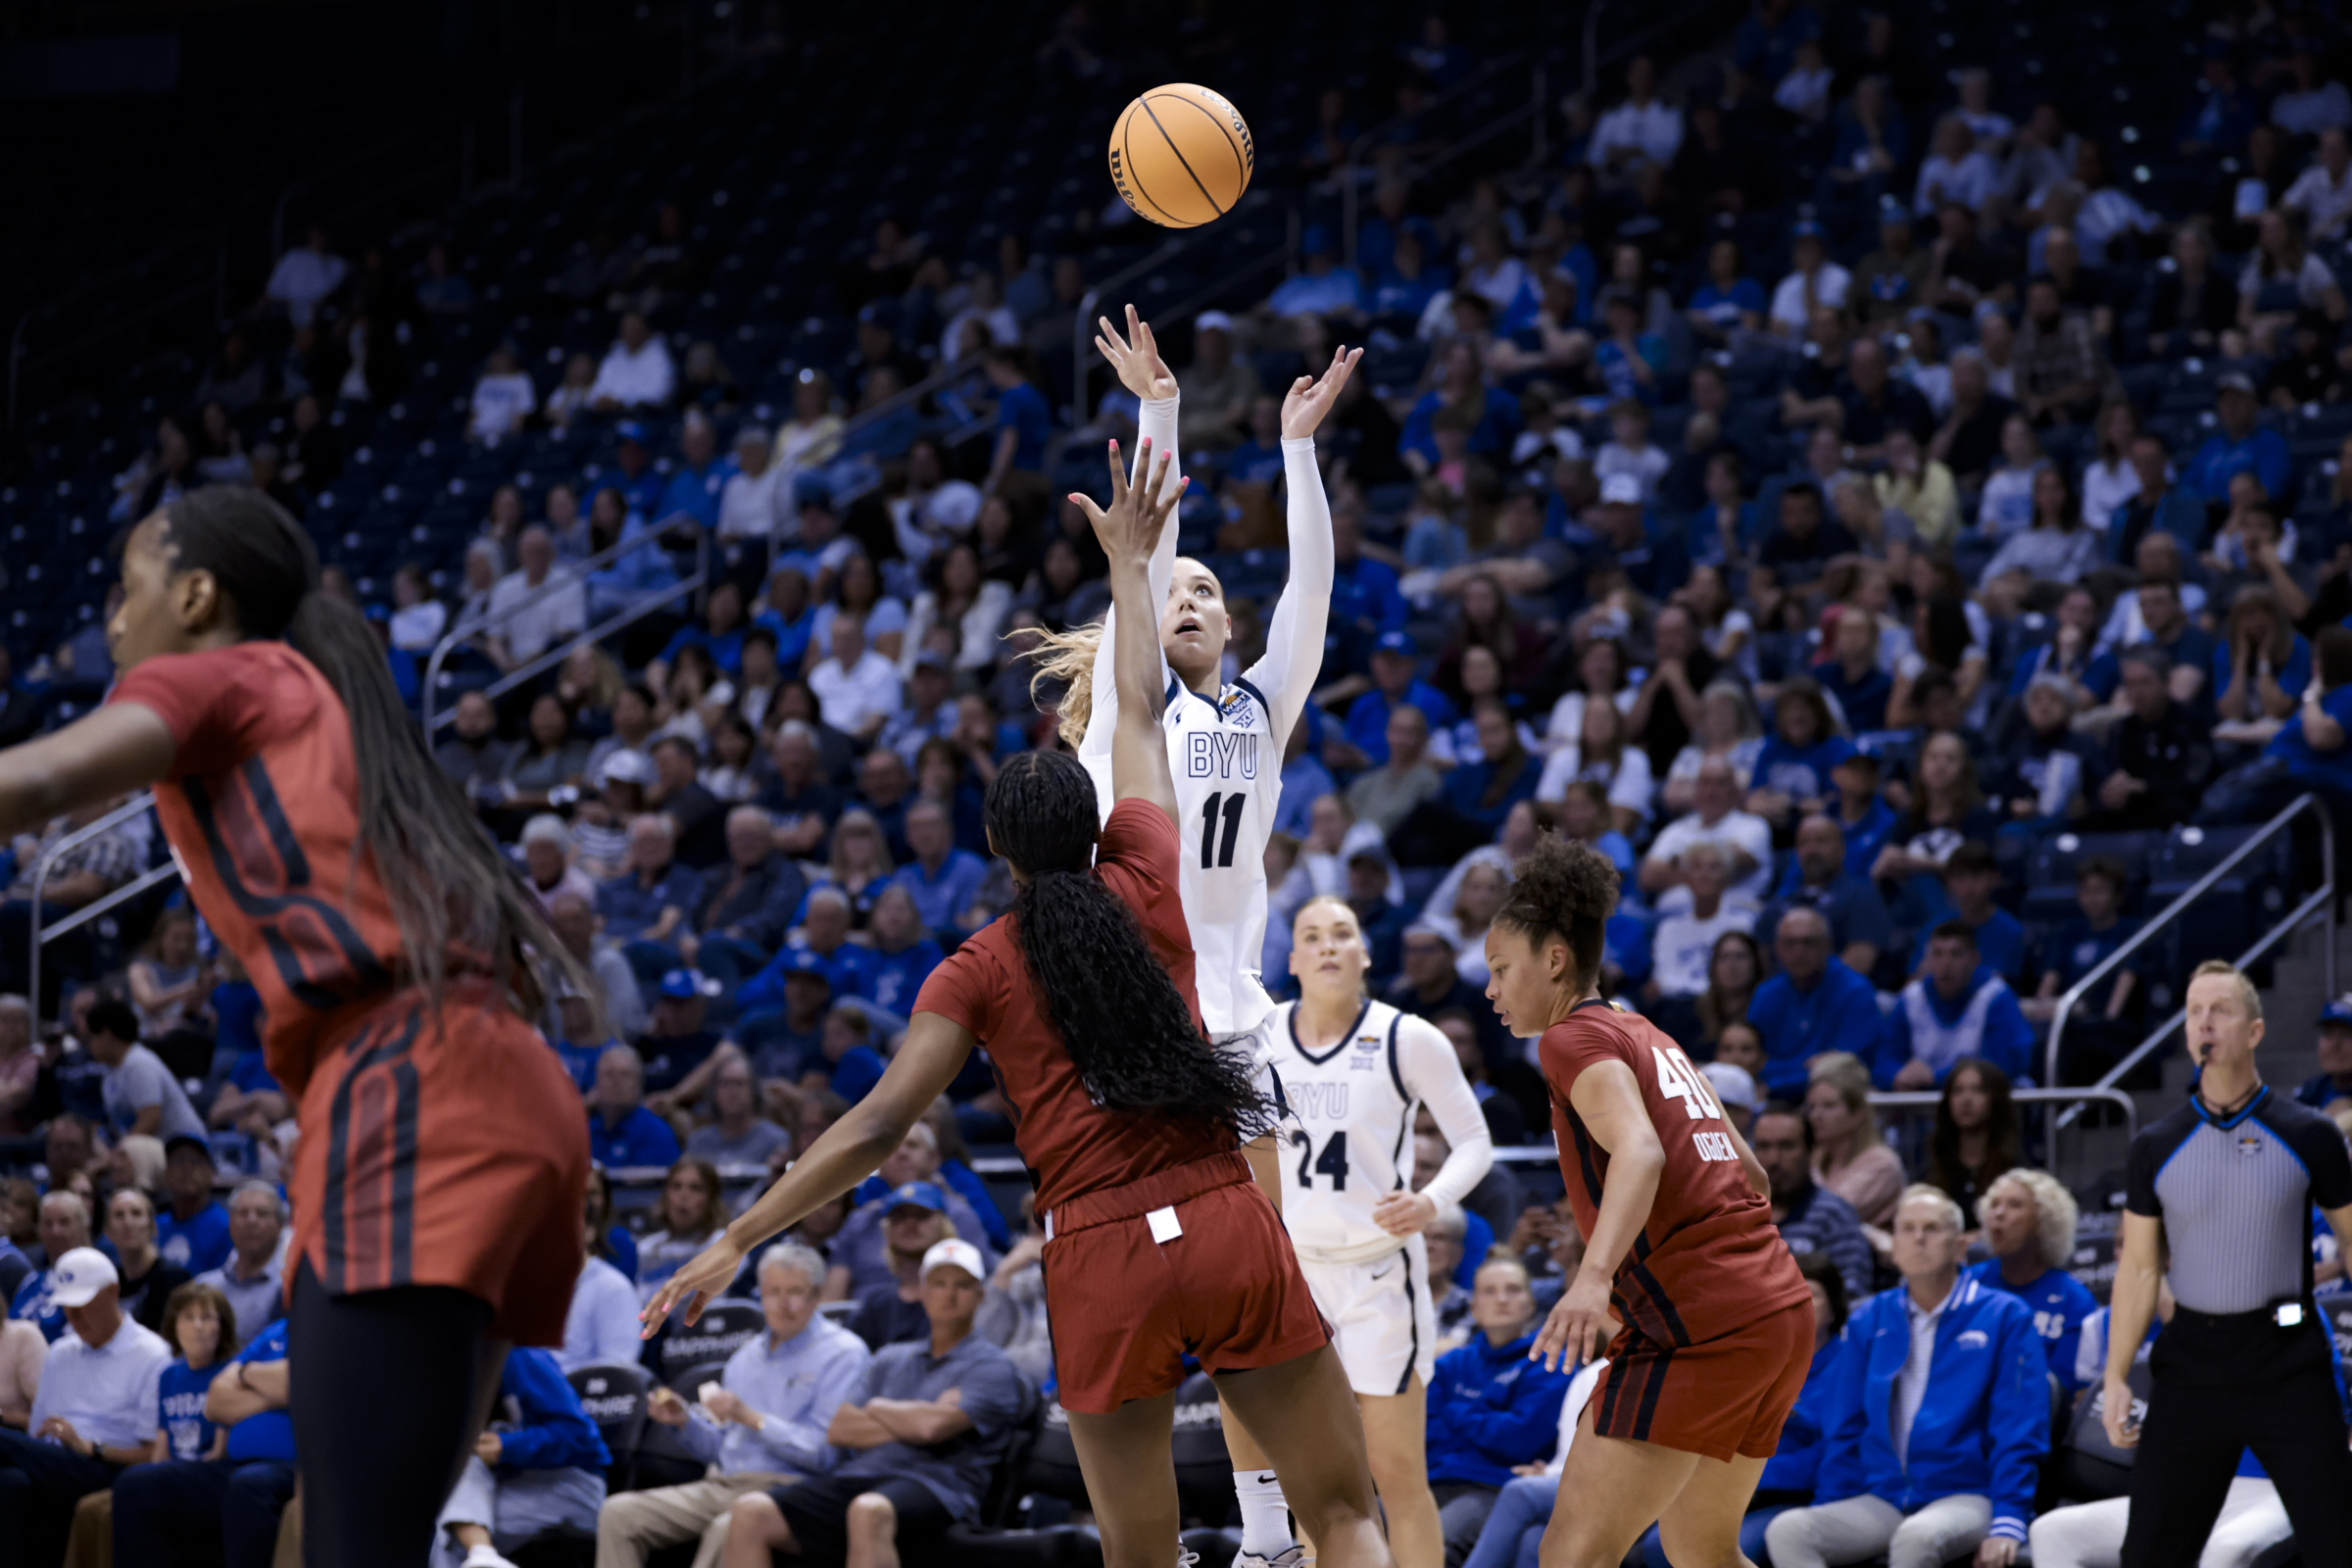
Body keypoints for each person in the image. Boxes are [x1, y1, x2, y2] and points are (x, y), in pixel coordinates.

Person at [643, 435, 1396, 1568]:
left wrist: (736, 1239)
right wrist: (1135, 567)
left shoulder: (976, 965)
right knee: (1341, 1514)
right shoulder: (1150, 876)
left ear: (994, 846)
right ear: (1100, 826)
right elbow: (1140, 708)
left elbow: (874, 1128)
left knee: (1138, 1555)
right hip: (1221, 1207)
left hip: (1098, 1252)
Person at [0, 487, 597, 1563]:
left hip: (410, 1082)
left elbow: (35, 778)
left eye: (128, 587)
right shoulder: (325, 701)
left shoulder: (228, 668)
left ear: (195, 594)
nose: (112, 616)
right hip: (498, 1084)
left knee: (354, 1548)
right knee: (367, 1540)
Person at [1029, 316, 1368, 1558]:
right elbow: (1149, 547)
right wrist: (1161, 413)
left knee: (1259, 1286)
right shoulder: (1131, 707)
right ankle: (1153, 1520)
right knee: (1151, 1282)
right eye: (1171, 590)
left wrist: (1294, 451)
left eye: (1209, 592)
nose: (1189, 597)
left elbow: (1315, 589)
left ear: (1231, 628)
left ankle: (1272, 1529)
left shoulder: (1264, 706)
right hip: (1137, 1027)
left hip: (1237, 1018)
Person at [1480, 832, 1814, 1568]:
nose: (1491, 991)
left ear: (1556, 960)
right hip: (1779, 1308)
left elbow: (1640, 1151)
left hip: (1703, 1325)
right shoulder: (1650, 1032)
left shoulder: (1571, 1038)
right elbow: (1752, 1175)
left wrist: (1594, 1278)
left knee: (1570, 1556)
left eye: (1502, 969)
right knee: (1703, 1549)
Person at [2103, 961, 2352, 1566]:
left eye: (2220, 1010)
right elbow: (2138, 1269)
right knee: (2150, 1554)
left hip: (2288, 1363)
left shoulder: (2311, 1134)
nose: (2204, 1022)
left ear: (2255, 1031)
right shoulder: (2154, 1145)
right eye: (2193, 1012)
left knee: (2338, 1547)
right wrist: (2114, 1376)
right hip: (2192, 1365)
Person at [1274, 894, 1496, 1568]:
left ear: (1365, 953)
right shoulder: (1261, 1036)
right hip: (1296, 1277)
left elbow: (1473, 1142)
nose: (1328, 946)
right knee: (1310, 1482)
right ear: (1292, 960)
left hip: (1377, 1275)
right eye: (1311, 936)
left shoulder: (1407, 1037)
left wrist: (1431, 1202)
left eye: (1342, 933)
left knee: (1396, 1476)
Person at [1765, 1186, 2049, 1568]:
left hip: (1968, 1492)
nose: (1918, 1238)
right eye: (1907, 1229)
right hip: (1884, 1494)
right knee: (1789, 1530)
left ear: (1960, 1245)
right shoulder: (1871, 1319)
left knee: (1915, 1539)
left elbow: (2018, 1426)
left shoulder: (2005, 1316)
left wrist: (2009, 1519)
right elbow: (1845, 1425)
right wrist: (1833, 1503)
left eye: (1932, 1228)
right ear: (1893, 1248)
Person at [713, 1238, 1025, 1568]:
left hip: (940, 1487)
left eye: (962, 1285)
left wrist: (880, 1410)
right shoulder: (890, 1358)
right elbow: (840, 1429)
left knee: (867, 1510)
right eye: (938, 1283)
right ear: (922, 1290)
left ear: (981, 1295)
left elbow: (934, 1428)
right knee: (750, 1511)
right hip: (860, 1475)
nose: (948, 1294)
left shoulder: (994, 1367)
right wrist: (913, 1414)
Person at [595, 1242, 871, 1567]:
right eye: (773, 1292)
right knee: (617, 1513)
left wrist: (753, 1418)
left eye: (794, 1292)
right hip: (723, 1483)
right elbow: (722, 1448)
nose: (783, 1304)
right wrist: (684, 1423)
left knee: (729, 1528)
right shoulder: (744, 1358)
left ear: (816, 1295)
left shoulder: (844, 1353)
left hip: (792, 1491)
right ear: (760, 1295)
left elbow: (825, 1456)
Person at [0, 1248, 171, 1568]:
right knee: (10, 1484)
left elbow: (154, 1453)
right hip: (52, 1460)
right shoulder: (61, 1352)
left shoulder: (152, 1355)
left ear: (113, 1292)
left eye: (82, 1305)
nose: (73, 1317)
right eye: (66, 1307)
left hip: (105, 1463)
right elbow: (37, 1435)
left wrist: (91, 1447)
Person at [110, 1311, 298, 1568]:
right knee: (137, 1486)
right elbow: (215, 1403)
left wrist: (246, 1377)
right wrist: (272, 1390)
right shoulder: (275, 1331)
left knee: (249, 1487)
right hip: (236, 1465)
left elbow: (301, 1383)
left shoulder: (331, 1328)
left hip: (298, 1469)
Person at [1423, 1253, 1575, 1565]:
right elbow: (1424, 1432)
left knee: (1435, 1542)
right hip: (1432, 1479)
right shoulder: (1449, 1363)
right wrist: (1485, 1420)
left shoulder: (1550, 1363)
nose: (1502, 1299)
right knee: (1375, 1524)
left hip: (1494, 1485)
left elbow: (1519, 1438)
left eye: (1514, 1289)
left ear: (1531, 1304)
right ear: (1474, 1306)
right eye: (1489, 1291)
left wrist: (1456, 1411)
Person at [431, 1347, 610, 1568]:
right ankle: (482, 1552)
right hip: (506, 1481)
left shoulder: (522, 1355)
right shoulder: (453, 1362)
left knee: (448, 1533)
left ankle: (481, 1552)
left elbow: (580, 1436)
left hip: (572, 1484)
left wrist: (507, 1446)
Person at [1967, 1169, 2097, 1392]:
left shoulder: (2074, 1301)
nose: (1998, 1214)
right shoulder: (1968, 1284)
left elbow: (2064, 1390)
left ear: (2043, 1222)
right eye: (1994, 1204)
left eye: (2014, 1205)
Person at [1880, 923, 2036, 1090]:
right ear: (1927, 960)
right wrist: (1898, 1075)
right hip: (1923, 1107)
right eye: (1937, 954)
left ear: (1975, 959)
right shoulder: (1911, 998)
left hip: (1984, 1103)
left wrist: (1935, 1077)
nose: (1946, 963)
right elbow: (1884, 1061)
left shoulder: (1995, 996)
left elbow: (2004, 1064)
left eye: (1956, 954)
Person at [1747, 909, 1882, 1098]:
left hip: (1836, 1100)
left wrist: (1776, 1080)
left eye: (1808, 942)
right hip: (1773, 1101)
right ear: (1777, 948)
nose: (1799, 951)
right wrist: (1807, 1066)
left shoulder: (1855, 991)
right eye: (1790, 943)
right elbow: (1750, 1063)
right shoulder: (1766, 995)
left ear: (1827, 945)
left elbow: (1846, 1070)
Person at [1750, 1102, 1874, 1304]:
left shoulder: (1834, 1215)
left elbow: (1854, 1298)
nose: (1773, 1159)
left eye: (1786, 1146)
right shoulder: (1738, 1213)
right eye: (1763, 1147)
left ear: (1810, 1151)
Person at [1806, 1054, 1905, 1232]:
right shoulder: (1813, 1157)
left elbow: (1829, 1216)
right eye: (1812, 1107)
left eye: (1829, 1106)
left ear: (1858, 1113)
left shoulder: (1882, 1165)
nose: (1816, 1116)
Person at [87, 999, 204, 1146]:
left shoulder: (138, 1063)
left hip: (185, 1151)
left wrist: (119, 1154)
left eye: (92, 1037)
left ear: (107, 1034)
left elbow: (151, 1120)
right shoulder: (110, 1073)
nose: (89, 1044)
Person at [1926, 1059, 2020, 1229]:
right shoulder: (1933, 1165)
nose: (1966, 1100)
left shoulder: (2016, 1170)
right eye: (1958, 1091)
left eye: (1978, 1090)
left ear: (1995, 1099)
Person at [193, 1182, 287, 1351]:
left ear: (280, 1226)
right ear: (230, 1222)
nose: (252, 1221)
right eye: (243, 1213)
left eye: (262, 1214)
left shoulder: (287, 1288)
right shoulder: (204, 1285)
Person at [151, 1281, 234, 1463]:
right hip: (173, 1470)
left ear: (222, 1326)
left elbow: (219, 1453)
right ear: (175, 1325)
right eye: (188, 1317)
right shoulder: (168, 1377)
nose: (197, 1326)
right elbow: (161, 1451)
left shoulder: (229, 1374)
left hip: (210, 1469)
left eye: (206, 1317)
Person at [106, 1188, 193, 1335]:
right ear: (108, 1231)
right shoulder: (109, 1282)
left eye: (136, 1213)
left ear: (152, 1226)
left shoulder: (174, 1279)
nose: (127, 1222)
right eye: (119, 1215)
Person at [589, 1045, 683, 1169]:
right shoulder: (586, 1130)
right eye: (609, 1074)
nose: (616, 1081)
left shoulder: (657, 1134)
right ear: (596, 1083)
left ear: (639, 1083)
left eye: (625, 1074)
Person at [156, 1134, 233, 1275]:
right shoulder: (154, 1227)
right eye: (178, 1161)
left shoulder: (227, 1227)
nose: (187, 1168)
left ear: (212, 1174)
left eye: (196, 1161)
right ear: (166, 1175)